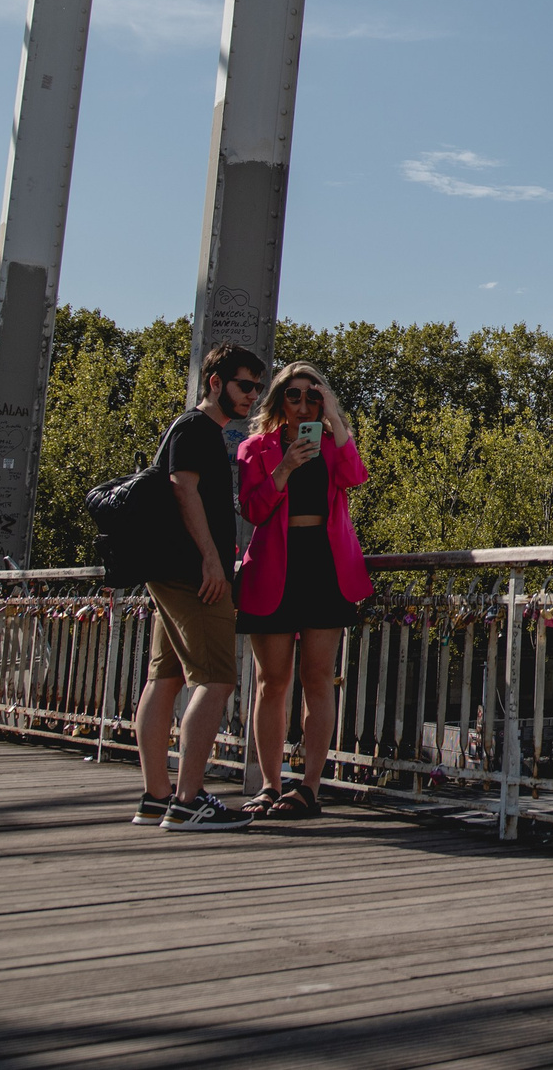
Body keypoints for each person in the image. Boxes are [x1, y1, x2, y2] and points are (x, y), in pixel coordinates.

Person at [134, 343, 263, 831]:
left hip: (170, 568)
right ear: (215, 382)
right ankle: (188, 800)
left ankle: (155, 795)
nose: (252, 395)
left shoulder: (197, 430)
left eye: (256, 387)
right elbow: (182, 489)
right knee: (216, 679)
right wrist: (213, 561)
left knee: (164, 678)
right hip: (191, 571)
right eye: (244, 385)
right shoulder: (198, 429)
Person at [234, 361, 372, 819]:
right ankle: (269, 785)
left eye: (313, 396)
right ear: (279, 401)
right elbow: (253, 510)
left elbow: (356, 477)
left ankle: (310, 786)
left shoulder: (333, 444)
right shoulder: (256, 448)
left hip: (324, 567)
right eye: (294, 396)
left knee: (318, 679)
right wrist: (285, 468)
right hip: (274, 565)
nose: (303, 404)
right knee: (271, 683)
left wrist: (333, 418)